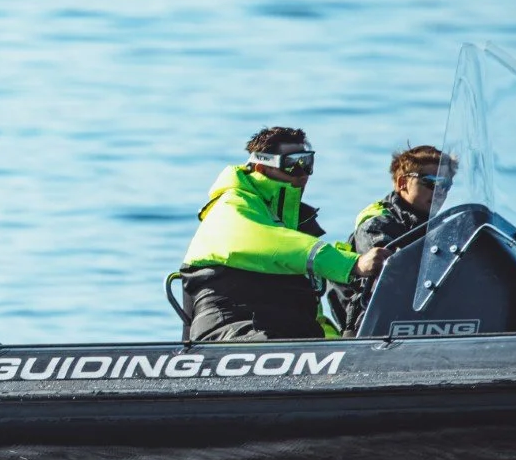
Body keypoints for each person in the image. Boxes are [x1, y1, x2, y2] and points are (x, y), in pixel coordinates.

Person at [179, 127, 389, 342]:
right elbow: (272, 243)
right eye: (293, 165)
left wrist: (338, 346)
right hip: (232, 328)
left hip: (286, 332)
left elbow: (311, 310)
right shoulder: (231, 205)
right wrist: (350, 264)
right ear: (261, 166)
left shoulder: (298, 225)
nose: (303, 173)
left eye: (307, 163)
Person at [331, 144, 455, 336]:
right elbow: (387, 271)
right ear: (402, 183)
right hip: (370, 323)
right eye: (431, 182)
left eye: (446, 185)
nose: (440, 191)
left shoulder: (441, 228)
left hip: (419, 319)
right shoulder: (377, 223)